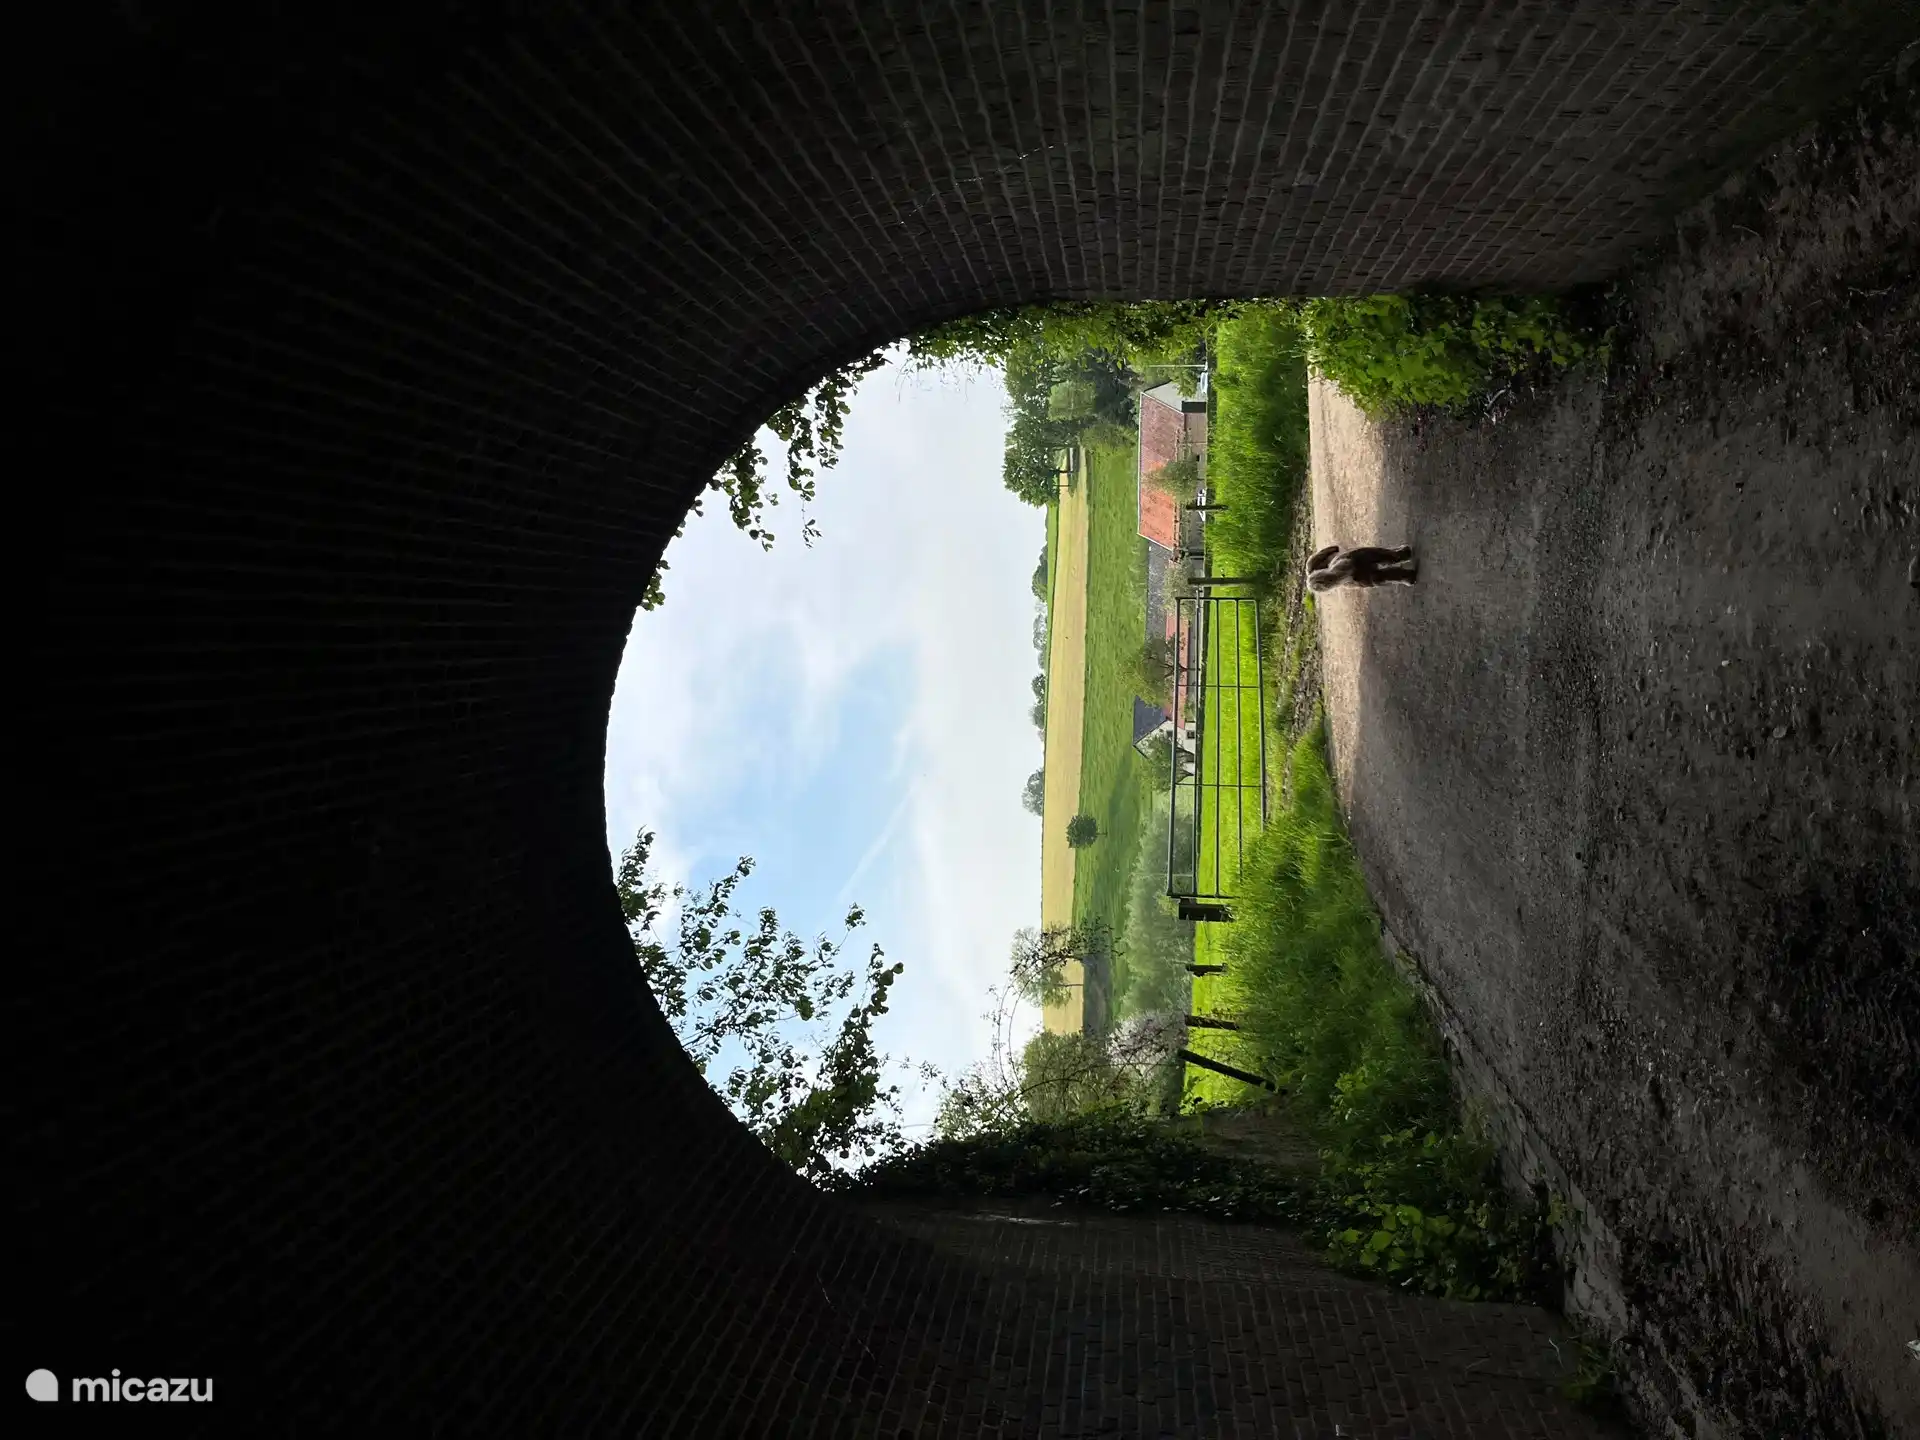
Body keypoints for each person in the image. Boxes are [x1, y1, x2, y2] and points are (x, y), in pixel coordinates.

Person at [1307, 543, 1418, 591]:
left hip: (1356, 579)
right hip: (1353, 559)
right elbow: (1329, 551)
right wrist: (1333, 549)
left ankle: (1406, 576)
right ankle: (1402, 554)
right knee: (1381, 556)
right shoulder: (1311, 564)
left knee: (1380, 577)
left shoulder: (1343, 582)